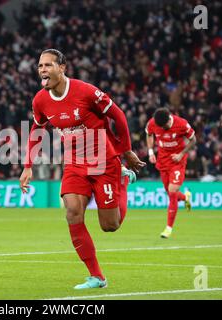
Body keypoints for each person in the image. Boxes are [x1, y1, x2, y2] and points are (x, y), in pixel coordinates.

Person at [19, 49, 144, 290]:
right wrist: (27, 166)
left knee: (110, 226)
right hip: (75, 163)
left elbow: (118, 115)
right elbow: (36, 131)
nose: (42, 70)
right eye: (40, 66)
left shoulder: (86, 92)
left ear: (62, 68)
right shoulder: (40, 100)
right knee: (72, 212)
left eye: (48, 65)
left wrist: (126, 151)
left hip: (104, 161)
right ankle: (97, 277)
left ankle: (123, 180)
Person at [145, 108, 195, 238]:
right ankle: (185, 197)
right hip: (163, 161)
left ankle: (168, 228)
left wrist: (181, 154)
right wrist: (150, 152)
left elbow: (193, 140)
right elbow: (149, 134)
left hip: (177, 161)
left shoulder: (182, 124)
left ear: (169, 118)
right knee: (169, 191)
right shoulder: (152, 123)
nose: (163, 128)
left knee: (172, 192)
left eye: (165, 126)